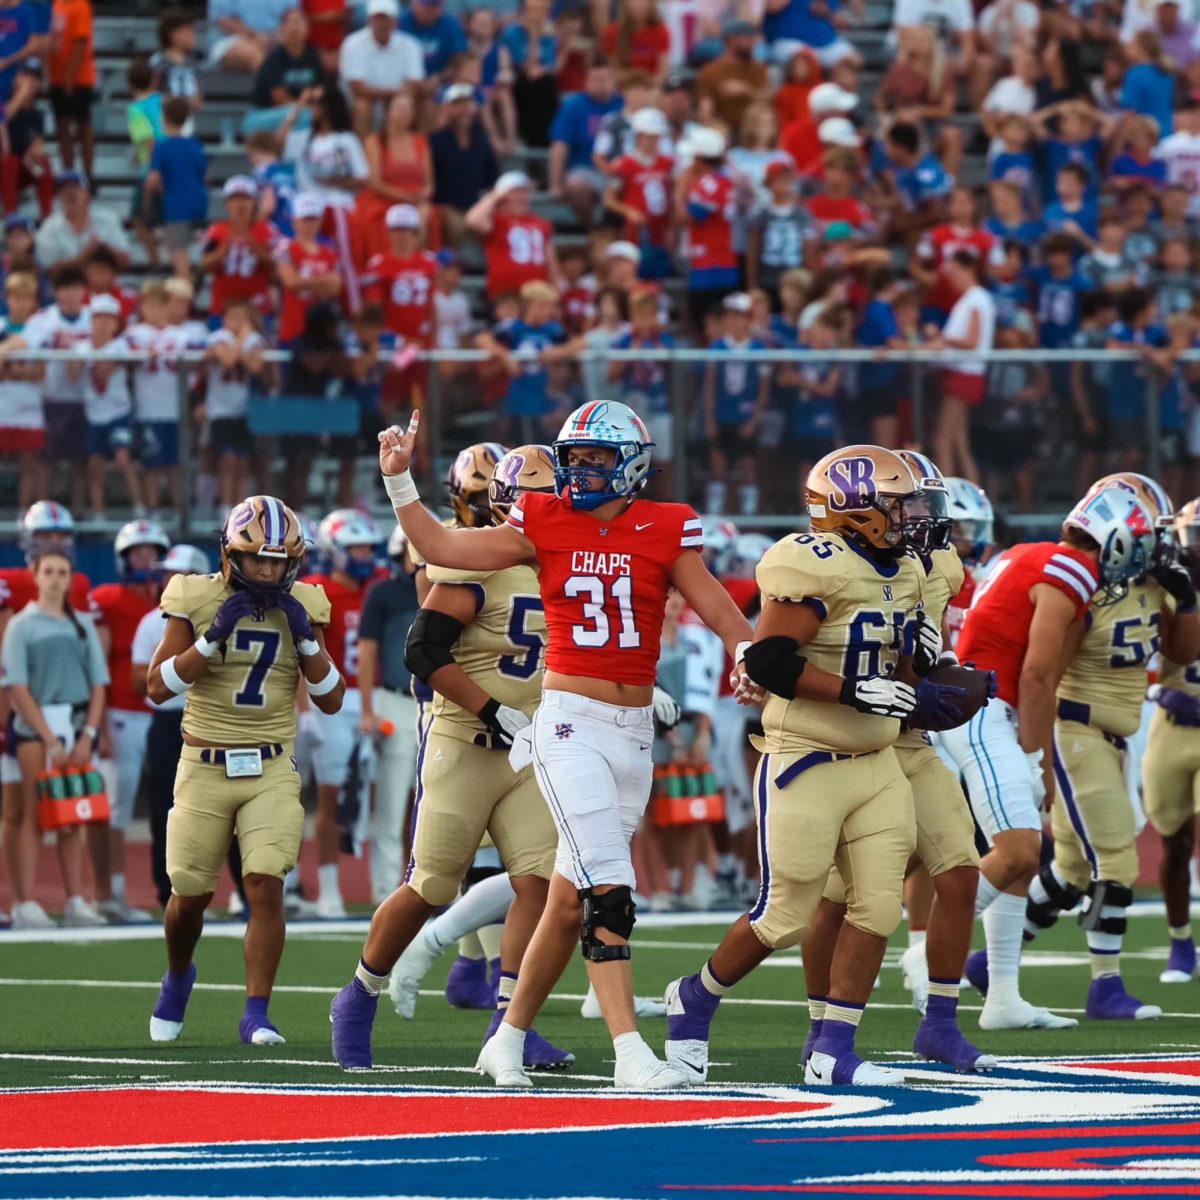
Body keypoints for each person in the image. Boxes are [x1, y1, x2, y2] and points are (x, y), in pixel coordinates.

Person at [332, 401, 756, 1088]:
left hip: (630, 732)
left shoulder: (667, 525)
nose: (581, 472)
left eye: (596, 459)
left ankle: (506, 1038)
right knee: (608, 890)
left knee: (562, 898)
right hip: (563, 725)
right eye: (574, 459)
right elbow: (442, 549)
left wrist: (746, 653)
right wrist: (400, 482)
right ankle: (628, 1054)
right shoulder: (542, 521)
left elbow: (716, 607)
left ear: (633, 464)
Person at [662, 447, 947, 1087]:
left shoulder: (906, 569)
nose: (911, 515)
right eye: (898, 503)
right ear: (854, 508)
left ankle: (833, 1051)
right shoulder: (812, 563)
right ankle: (696, 996)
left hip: (876, 761)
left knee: (877, 909)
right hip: (806, 758)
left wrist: (921, 663)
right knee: (783, 916)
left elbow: (897, 679)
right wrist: (852, 689)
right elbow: (767, 662)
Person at [343, 443, 577, 1071]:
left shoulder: (566, 565)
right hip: (464, 740)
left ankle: (510, 1025)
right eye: (535, 500)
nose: (549, 509)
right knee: (431, 886)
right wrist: (489, 709)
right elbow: (422, 652)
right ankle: (360, 993)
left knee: (543, 886)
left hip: (527, 747)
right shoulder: (479, 561)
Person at [799, 451, 996, 1076]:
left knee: (961, 869)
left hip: (908, 739)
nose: (922, 518)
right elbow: (795, 647)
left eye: (922, 505)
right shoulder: (835, 561)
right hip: (851, 736)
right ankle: (819, 1027)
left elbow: (922, 657)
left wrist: (949, 682)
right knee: (834, 898)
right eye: (910, 505)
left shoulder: (938, 564)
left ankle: (939, 1022)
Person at [938, 486, 1156, 1030]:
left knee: (1028, 853)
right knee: (1014, 851)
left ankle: (1001, 993)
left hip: (981, 705)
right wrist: (1037, 759)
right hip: (991, 709)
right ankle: (929, 962)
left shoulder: (1029, 554)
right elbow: (1039, 675)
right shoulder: (1069, 568)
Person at [146, 496, 344, 1045]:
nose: (266, 571)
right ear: (230, 555)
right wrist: (210, 640)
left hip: (270, 765)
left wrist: (307, 640)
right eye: (256, 559)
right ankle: (180, 972)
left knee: (264, 883)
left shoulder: (305, 603)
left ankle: (257, 1010)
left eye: (277, 562)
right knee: (188, 893)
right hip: (204, 763)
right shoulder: (195, 595)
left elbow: (331, 699)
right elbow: (156, 686)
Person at [1018, 473, 1193, 1019]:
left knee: (1071, 869)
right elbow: (1044, 676)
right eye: (1150, 533)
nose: (1158, 545)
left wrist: (1185, 600)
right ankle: (1105, 987)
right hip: (1076, 731)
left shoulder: (1150, 584)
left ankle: (988, 961)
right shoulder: (1081, 582)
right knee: (1115, 856)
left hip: (1113, 738)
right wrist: (1039, 758)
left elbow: (1182, 655)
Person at [0, 501, 96, 929]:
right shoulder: (19, 618)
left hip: (72, 724)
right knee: (30, 810)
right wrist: (48, 737)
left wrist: (89, 732)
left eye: (62, 565)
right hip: (34, 725)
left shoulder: (80, 620)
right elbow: (15, 683)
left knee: (73, 812)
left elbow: (99, 682)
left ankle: (76, 898)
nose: (56, 576)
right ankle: (23, 901)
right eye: (46, 545)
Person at [300, 508, 384, 918]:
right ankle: (328, 889)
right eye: (356, 547)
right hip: (332, 701)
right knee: (330, 798)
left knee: (385, 796)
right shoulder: (316, 589)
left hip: (375, 700)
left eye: (369, 546)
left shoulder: (380, 587)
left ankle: (385, 883)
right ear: (334, 550)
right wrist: (305, 709)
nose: (365, 554)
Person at [89, 518, 172, 923]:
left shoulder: (172, 601)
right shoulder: (107, 599)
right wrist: (100, 723)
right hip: (121, 714)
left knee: (165, 805)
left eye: (152, 553)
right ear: (124, 559)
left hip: (163, 717)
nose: (146, 560)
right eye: (138, 553)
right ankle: (111, 893)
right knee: (116, 807)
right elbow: (96, 664)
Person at [131, 544, 210, 908]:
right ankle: (168, 892)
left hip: (212, 717)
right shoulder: (152, 621)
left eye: (179, 574)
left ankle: (238, 892)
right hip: (168, 719)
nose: (169, 581)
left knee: (224, 807)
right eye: (167, 574)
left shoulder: (217, 615)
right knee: (165, 806)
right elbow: (141, 682)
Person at [1144, 498, 1200, 984]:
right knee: (1174, 842)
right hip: (1172, 721)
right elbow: (1128, 661)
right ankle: (1181, 941)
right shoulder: (1163, 588)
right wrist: (1161, 689)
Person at [356, 524, 421, 904]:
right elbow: (367, 652)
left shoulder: (446, 588)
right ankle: (384, 893)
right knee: (392, 802)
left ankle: (434, 891)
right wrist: (367, 709)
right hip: (396, 701)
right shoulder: (383, 593)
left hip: (439, 703)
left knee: (436, 803)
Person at [924, 251, 996, 484]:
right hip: (964, 372)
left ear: (968, 269)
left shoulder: (976, 298)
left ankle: (946, 500)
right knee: (958, 441)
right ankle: (973, 495)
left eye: (954, 271)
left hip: (965, 374)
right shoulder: (972, 298)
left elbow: (971, 341)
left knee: (942, 441)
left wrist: (942, 337)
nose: (951, 277)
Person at [72, 293, 140, 520]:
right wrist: (74, 358)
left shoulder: (121, 344)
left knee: (124, 460)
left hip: (117, 412)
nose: (102, 324)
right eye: (98, 318)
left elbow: (129, 361)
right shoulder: (81, 346)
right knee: (94, 465)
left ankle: (139, 509)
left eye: (108, 319)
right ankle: (99, 513)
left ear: (115, 323)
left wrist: (112, 360)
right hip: (93, 414)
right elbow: (72, 377)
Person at [702, 292, 768, 516]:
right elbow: (710, 386)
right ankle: (715, 517)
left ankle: (750, 519)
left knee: (749, 469)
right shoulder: (717, 347)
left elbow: (763, 389)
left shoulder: (759, 349)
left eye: (737, 316)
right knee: (718, 468)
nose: (731, 321)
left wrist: (755, 419)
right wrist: (710, 419)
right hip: (722, 415)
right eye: (728, 316)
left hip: (746, 417)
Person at [357, 90, 433, 260]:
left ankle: (418, 262)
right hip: (383, 198)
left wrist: (422, 195)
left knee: (428, 215)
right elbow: (374, 182)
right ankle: (386, 261)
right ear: (388, 113)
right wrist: (405, 197)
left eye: (407, 110)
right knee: (375, 218)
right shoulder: (374, 141)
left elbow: (429, 183)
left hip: (414, 198)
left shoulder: (420, 141)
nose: (403, 114)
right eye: (399, 108)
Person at [547, 58, 621, 229]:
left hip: (620, 170)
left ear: (613, 81)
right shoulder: (573, 106)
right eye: (594, 80)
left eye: (604, 79)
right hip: (586, 169)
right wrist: (555, 183)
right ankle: (594, 228)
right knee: (576, 186)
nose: (599, 84)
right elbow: (559, 146)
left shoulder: (623, 104)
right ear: (585, 81)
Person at [466, 170, 557, 303]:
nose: (522, 197)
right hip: (505, 297)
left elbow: (550, 259)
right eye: (516, 192)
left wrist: (556, 288)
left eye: (525, 192)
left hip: (536, 296)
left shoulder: (541, 223)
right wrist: (494, 196)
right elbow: (473, 220)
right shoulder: (496, 221)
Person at [144, 96, 209, 281]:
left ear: (164, 118)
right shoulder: (195, 145)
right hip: (198, 201)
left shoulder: (162, 146)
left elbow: (153, 180)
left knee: (178, 253)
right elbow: (203, 175)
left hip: (176, 204)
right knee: (189, 250)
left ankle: (185, 294)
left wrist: (149, 203)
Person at [338, 0, 425, 139]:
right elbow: (358, 89)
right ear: (369, 20)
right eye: (378, 18)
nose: (382, 23)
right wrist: (396, 92)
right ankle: (365, 154)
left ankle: (413, 152)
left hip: (395, 100)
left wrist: (397, 97)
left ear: (395, 21)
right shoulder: (352, 43)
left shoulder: (410, 44)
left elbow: (414, 83)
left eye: (386, 18)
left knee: (410, 101)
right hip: (362, 103)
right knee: (362, 106)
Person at [200, 176, 276, 322]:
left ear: (254, 202)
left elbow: (275, 265)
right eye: (234, 199)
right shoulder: (216, 230)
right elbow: (205, 264)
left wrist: (252, 244)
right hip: (223, 307)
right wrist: (225, 248)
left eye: (246, 198)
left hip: (257, 307)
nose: (240, 204)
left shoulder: (267, 230)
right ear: (227, 203)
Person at [35, 170, 132, 273]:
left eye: (76, 187)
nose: (70, 192)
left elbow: (125, 263)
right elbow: (50, 271)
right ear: (58, 196)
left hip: (104, 286)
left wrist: (104, 248)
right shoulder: (49, 227)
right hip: (65, 286)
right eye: (64, 189)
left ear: (89, 194)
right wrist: (87, 253)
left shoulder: (107, 219)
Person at [49, 0, 95, 179]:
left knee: (83, 125)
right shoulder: (57, 5)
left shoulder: (80, 5)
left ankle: (88, 175)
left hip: (79, 78)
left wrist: (70, 76)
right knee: (62, 126)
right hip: (57, 76)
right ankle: (69, 173)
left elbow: (81, 41)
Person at [253, 6, 322, 110]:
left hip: (302, 110)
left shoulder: (313, 55)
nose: (295, 28)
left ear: (308, 28)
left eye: (299, 23)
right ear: (281, 28)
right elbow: (279, 99)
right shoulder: (274, 58)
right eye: (291, 23)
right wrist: (305, 108)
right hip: (267, 112)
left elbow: (320, 88)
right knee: (307, 115)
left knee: (325, 111)